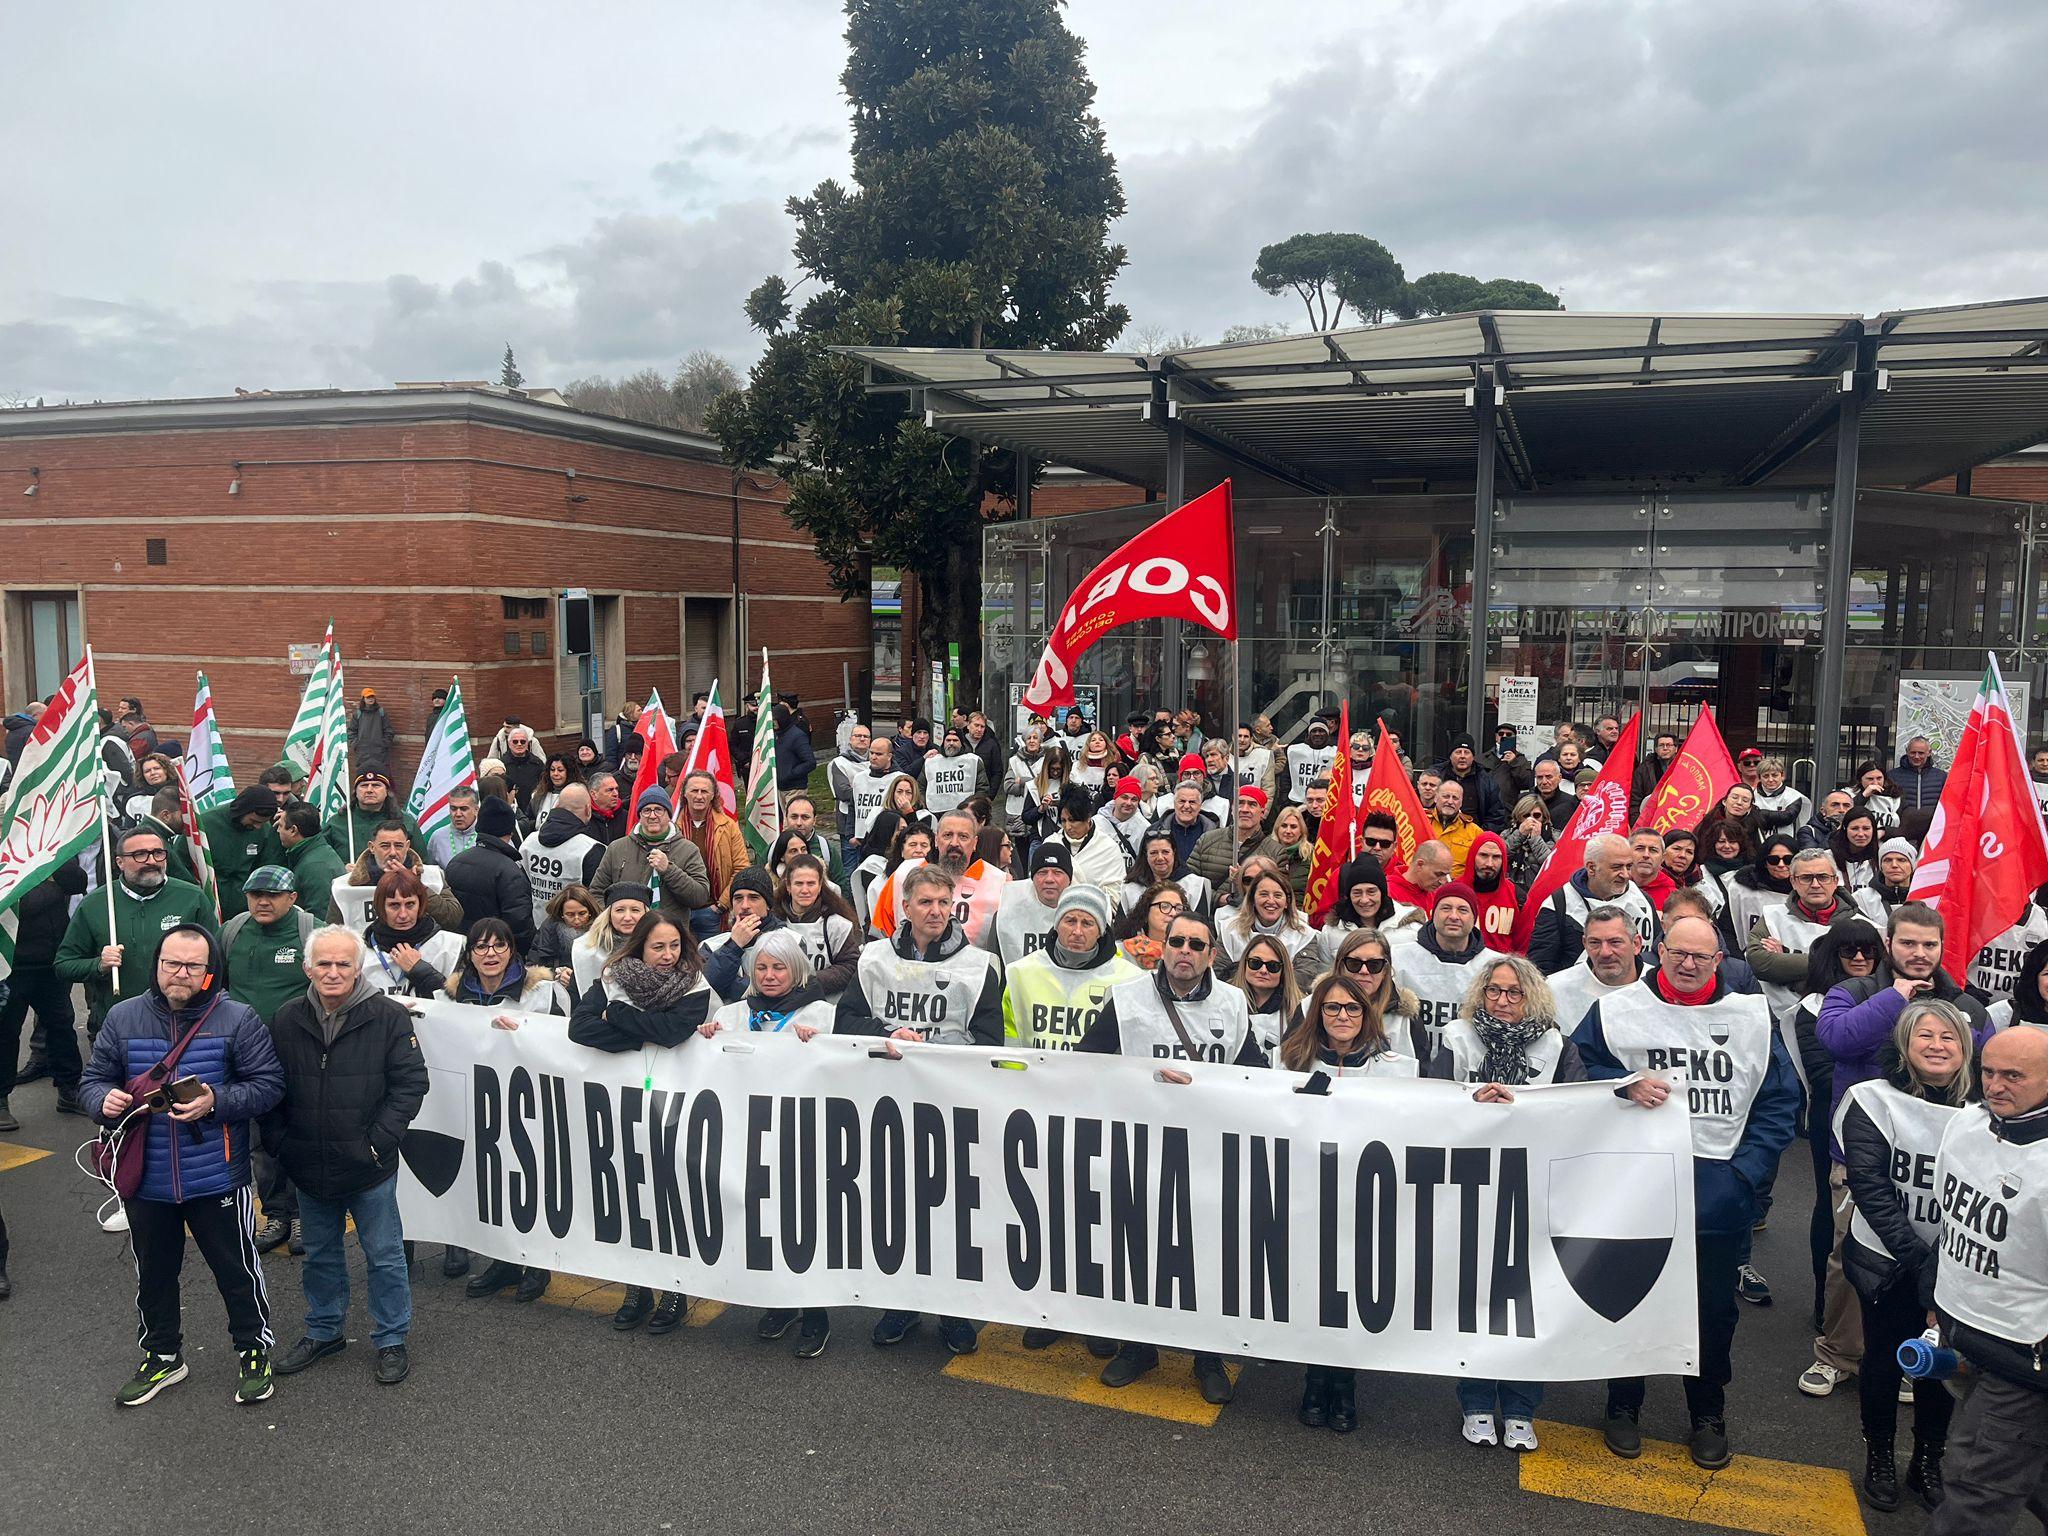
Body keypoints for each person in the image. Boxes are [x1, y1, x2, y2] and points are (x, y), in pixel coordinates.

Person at [1575, 913, 1800, 1470]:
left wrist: (1744, 1173)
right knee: (1628, 1293)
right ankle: (1623, 1404)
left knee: (1711, 1310)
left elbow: (1779, 1102)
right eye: (1679, 952)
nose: (1688, 963)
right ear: (1659, 950)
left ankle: (1707, 1411)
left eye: (1701, 956)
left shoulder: (1750, 1016)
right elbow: (1577, 1072)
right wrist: (1623, 1085)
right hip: (1634, 1184)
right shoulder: (1615, 1008)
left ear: (1720, 961)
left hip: (1718, 1190)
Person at [79, 924, 285, 1407]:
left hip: (217, 1173)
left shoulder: (238, 1019)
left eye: (194, 966)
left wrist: (216, 1101)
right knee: (153, 1273)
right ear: (156, 965)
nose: (181, 974)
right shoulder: (122, 1016)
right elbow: (93, 1079)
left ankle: (254, 1350)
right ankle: (162, 1357)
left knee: (237, 1270)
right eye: (172, 963)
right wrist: (99, 1100)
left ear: (210, 972)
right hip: (144, 1179)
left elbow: (269, 1085)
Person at [1807, 903, 1993, 1399]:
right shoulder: (1855, 991)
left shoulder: (1968, 1005)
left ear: (1941, 947)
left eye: (1929, 944)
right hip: (1861, 1158)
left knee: (1936, 1261)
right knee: (1854, 1261)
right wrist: (1895, 998)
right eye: (1908, 943)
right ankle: (1839, 1355)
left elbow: (1981, 1073)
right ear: (1888, 944)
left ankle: (1914, 1355)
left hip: (1943, 1165)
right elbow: (1836, 1040)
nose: (1919, 953)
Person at [1079, 910, 1257, 1402]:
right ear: (1163, 945)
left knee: (1208, 1256)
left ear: (1211, 955)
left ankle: (1206, 1355)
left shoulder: (1234, 1002)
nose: (1185, 951)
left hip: (1208, 1153)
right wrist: (1147, 1079)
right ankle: (1138, 1347)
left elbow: (1255, 1077)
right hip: (1142, 1148)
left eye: (1196, 945)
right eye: (1177, 941)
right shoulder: (1127, 997)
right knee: (1141, 1252)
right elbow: (1086, 1066)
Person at [836, 863, 1004, 1354]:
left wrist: (932, 1054)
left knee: (954, 1209)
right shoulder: (872, 959)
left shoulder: (979, 966)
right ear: (904, 907)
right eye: (925, 902)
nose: (935, 912)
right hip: (886, 1102)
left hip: (951, 1106)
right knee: (898, 1209)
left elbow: (990, 1040)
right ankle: (902, 1303)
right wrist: (888, 1037)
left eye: (943, 903)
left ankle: (954, 1311)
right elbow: (846, 1020)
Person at [1431, 953, 1584, 1450]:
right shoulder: (1457, 1038)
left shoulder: (1559, 1046)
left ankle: (1520, 1408)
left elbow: (1578, 1107)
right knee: (1475, 1302)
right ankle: (1475, 1402)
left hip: (1533, 1190)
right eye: (1493, 990)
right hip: (1470, 1186)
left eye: (1513, 993)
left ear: (1531, 997)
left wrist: (1522, 1108)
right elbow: (1426, 1103)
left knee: (1527, 1301)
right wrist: (1469, 1105)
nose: (1501, 1001)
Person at [266, 924, 428, 1387]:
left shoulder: (388, 1017)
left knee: (384, 1255)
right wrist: (282, 1142)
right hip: (308, 1164)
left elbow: (410, 1085)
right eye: (324, 963)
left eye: (343, 964)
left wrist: (377, 1143)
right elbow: (272, 1088)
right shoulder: (287, 1018)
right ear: (307, 968)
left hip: (369, 1167)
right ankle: (324, 1330)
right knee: (319, 1254)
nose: (333, 972)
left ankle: (392, 1338)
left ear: (358, 969)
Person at [1835, 998, 1975, 1512]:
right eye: (1925, 1036)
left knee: (1943, 1366)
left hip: (1960, 1266)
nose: (1938, 1046)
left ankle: (1928, 1460)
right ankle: (1879, 1458)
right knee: (1883, 1362)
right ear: (1904, 1044)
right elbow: (1871, 1190)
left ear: (1965, 1050)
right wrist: (1923, 1264)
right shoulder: (1870, 1099)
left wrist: (1946, 1267)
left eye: (1949, 1037)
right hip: (1888, 1262)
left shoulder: (1983, 1111)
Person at [1920, 1025, 2048, 1532]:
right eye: (1988, 1072)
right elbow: (1950, 1224)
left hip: (2021, 1358)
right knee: (2029, 1473)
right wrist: (1936, 1300)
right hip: (1964, 1338)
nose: (1995, 1086)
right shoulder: (1967, 1125)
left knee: (1975, 1490)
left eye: (2014, 1076)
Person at [569, 911, 713, 1333]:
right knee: (628, 1198)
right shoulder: (613, 977)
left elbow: (672, 1032)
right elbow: (580, 1028)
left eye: (674, 946)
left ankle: (673, 1291)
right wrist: (641, 1034)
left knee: (669, 1197)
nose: (668, 956)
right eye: (658, 947)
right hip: (621, 1103)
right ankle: (635, 1289)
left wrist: (617, 1018)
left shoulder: (694, 985)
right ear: (641, 947)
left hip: (674, 1106)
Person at [1783, 921, 1885, 1342]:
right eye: (1848, 951)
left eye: (1868, 950)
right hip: (1836, 1121)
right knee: (1833, 1210)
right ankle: (1827, 1303)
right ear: (1832, 956)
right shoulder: (1812, 1007)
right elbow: (1824, 1072)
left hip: (1889, 1123)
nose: (1860, 958)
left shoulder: (1894, 997)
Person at [221, 865, 320, 1252]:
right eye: (254, 894)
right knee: (261, 1141)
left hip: (299, 1054)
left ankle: (304, 1217)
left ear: (292, 898)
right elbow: (216, 983)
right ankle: (277, 1213)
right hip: (248, 1057)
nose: (262, 901)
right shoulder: (231, 932)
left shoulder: (310, 931)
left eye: (273, 895)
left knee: (302, 1134)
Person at [55, 824, 220, 1034]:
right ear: (120, 862)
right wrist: (99, 966)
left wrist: (202, 995)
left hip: (184, 1023)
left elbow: (216, 962)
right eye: (140, 854)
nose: (151, 861)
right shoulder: (96, 904)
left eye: (158, 853)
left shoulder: (192, 898)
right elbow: (64, 964)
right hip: (119, 1025)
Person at [0, 856, 86, 1128]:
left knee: (61, 1025)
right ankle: (1, 1100)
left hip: (52, 960)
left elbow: (77, 881)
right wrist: (48, 883)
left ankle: (69, 1089)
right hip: (13, 964)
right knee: (5, 1033)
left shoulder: (48, 851)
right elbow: (23, 905)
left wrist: (52, 861)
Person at [1001, 884, 1137, 1056]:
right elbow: (1009, 1040)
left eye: (1087, 923)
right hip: (1033, 1080)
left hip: (1099, 1081)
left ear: (1101, 931)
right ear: (1057, 925)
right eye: (1070, 921)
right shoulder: (1020, 972)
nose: (1077, 931)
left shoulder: (1128, 979)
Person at [870, 806, 1012, 950]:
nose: (955, 843)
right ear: (936, 840)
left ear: (975, 843)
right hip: (911, 967)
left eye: (963, 836)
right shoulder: (904, 873)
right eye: (947, 835)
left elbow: (1007, 942)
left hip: (970, 969)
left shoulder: (999, 882)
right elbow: (880, 932)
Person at [590, 786, 713, 939]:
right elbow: (596, 892)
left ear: (668, 815)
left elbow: (699, 897)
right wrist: (613, 920)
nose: (652, 815)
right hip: (624, 939)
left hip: (668, 939)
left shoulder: (688, 850)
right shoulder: (617, 848)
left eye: (658, 810)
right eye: (646, 810)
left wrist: (668, 870)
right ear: (639, 815)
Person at [1526, 833, 1653, 974]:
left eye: (1629, 866)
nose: (1625, 875)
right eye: (1616, 867)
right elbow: (1539, 968)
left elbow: (1654, 956)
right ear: (1591, 868)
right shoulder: (1560, 904)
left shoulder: (1642, 900)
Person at [1389, 879, 1489, 1052]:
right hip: (1411, 1062)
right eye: (1446, 908)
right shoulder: (1397, 955)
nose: (1453, 916)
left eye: (1463, 910)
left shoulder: (1493, 965)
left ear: (1474, 918)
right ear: (1433, 913)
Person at [327, 817, 463, 932]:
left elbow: (453, 918)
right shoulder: (345, 886)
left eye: (398, 845)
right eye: (385, 846)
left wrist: (416, 885)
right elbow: (333, 934)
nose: (392, 852)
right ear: (372, 847)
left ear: (407, 846)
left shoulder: (432, 875)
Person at [444, 797, 536, 953]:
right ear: (509, 831)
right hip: (494, 955)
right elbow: (519, 926)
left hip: (459, 950)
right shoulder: (510, 872)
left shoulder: (455, 862)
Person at [360, 869, 463, 998]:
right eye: (394, 905)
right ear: (380, 907)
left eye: (410, 904)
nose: (403, 915)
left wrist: (420, 971)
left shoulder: (452, 947)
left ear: (420, 905)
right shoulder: (360, 951)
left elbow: (464, 1004)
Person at [1546, 905, 1644, 1036]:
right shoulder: (1554, 989)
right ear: (1584, 944)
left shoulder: (1661, 986)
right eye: (1595, 943)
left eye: (1615, 942)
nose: (1605, 952)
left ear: (1636, 944)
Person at [700, 867, 785, 1002]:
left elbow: (790, 990)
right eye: (738, 898)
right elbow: (707, 988)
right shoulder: (710, 945)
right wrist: (733, 945)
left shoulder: (791, 940)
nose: (745, 905)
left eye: (753, 898)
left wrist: (729, 987)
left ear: (768, 904)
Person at [1218, 869, 1318, 980]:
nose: (1271, 901)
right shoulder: (1230, 930)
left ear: (1287, 902)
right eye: (1264, 894)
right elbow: (1219, 972)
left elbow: (1306, 977)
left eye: (1278, 895)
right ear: (1252, 900)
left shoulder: (1304, 935)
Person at [994, 842, 1072, 967]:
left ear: (1070, 880)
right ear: (1032, 878)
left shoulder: (1086, 915)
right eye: (1042, 872)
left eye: (1057, 872)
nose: (1049, 879)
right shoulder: (1006, 913)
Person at [1721, 831, 1799, 957]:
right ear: (1764, 861)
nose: (1781, 865)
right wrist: (1740, 961)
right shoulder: (1741, 890)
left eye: (1788, 859)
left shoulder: (1808, 891)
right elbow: (1726, 931)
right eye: (1773, 860)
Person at [326, 770, 428, 863]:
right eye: (364, 785)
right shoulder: (337, 823)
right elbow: (325, 862)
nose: (369, 790)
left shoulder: (406, 822)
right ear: (355, 792)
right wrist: (342, 868)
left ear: (387, 791)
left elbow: (421, 862)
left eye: (376, 785)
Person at [1230, 931, 1303, 1061]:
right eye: (1255, 963)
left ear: (1284, 971)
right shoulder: (1225, 1002)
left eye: (1272, 966)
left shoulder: (1300, 1009)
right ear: (1244, 964)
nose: (1263, 970)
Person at [1189, 786, 1278, 891]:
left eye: (1252, 804)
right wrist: (1219, 899)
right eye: (1240, 803)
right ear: (1232, 809)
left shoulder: (1275, 852)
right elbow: (1190, 882)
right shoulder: (1206, 840)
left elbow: (1276, 892)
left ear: (1262, 812)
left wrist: (1245, 886)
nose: (1245, 809)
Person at [277, 802, 348, 912]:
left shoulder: (317, 866)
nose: (278, 830)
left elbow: (319, 915)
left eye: (280, 826)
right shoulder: (312, 853)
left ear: (293, 830)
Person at [1659, 828, 1726, 924]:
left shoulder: (1700, 886)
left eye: (1689, 852)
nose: (1683, 855)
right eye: (1676, 849)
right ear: (1662, 851)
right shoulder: (1646, 879)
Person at [1466, 830, 1518, 952]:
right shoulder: (1453, 893)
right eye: (1483, 855)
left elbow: (1523, 946)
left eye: (1496, 857)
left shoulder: (1518, 897)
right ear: (1473, 856)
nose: (1489, 863)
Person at [1117, 881, 1185, 972]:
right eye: (1164, 906)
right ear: (1146, 912)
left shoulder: (1189, 952)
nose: (1173, 913)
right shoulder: (1120, 951)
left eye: (1179, 909)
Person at [923, 724, 988, 815]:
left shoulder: (973, 761)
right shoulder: (931, 762)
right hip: (936, 813)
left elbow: (982, 788)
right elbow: (921, 787)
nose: (951, 743)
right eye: (948, 740)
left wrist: (974, 808)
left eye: (955, 740)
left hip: (966, 813)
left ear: (961, 743)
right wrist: (925, 807)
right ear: (943, 742)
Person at [1751, 756, 1811, 837]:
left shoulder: (1794, 796)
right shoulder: (1751, 795)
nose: (1770, 779)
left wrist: (1760, 814)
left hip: (1784, 844)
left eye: (1774, 775)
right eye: (1765, 776)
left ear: (1782, 776)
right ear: (1759, 778)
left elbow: (1787, 818)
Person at [1266, 804, 1315, 901]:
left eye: (1293, 827)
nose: (1288, 831)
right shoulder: (1264, 850)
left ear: (1301, 830)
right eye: (1284, 826)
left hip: (1299, 911)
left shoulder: (1312, 855)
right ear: (1277, 828)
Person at [426, 784, 482, 868]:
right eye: (453, 808)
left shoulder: (488, 836)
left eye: (463, 809)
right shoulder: (438, 837)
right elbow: (430, 871)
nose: (458, 814)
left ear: (476, 810)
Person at [1285, 716, 1336, 805]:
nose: (1317, 734)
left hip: (1324, 802)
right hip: (1297, 801)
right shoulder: (1295, 751)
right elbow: (1286, 777)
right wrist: (1284, 801)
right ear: (1309, 734)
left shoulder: (1335, 752)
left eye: (1321, 731)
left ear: (1327, 734)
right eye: (1314, 731)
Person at [1891, 736, 1946, 812]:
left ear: (1929, 753)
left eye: (1921, 753)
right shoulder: (1893, 776)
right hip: (1902, 823)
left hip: (1932, 823)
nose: (1916, 757)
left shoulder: (1942, 777)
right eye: (1913, 752)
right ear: (1907, 751)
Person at [348, 688, 395, 774]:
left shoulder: (381, 712)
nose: (371, 699)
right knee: (364, 777)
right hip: (362, 754)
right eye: (368, 697)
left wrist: (384, 744)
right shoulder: (357, 714)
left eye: (372, 696)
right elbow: (351, 731)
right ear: (363, 699)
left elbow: (389, 730)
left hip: (380, 754)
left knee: (380, 777)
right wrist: (356, 744)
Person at [1852, 761, 1902, 832]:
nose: (1875, 783)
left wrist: (1884, 833)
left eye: (1879, 778)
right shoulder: (1850, 794)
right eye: (1870, 779)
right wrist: (1863, 796)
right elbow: (1848, 814)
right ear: (1860, 780)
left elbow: (1903, 827)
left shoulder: (1895, 797)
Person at [586, 770, 629, 845]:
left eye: (617, 789)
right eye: (610, 790)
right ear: (594, 794)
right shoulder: (584, 817)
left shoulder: (626, 817)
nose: (616, 794)